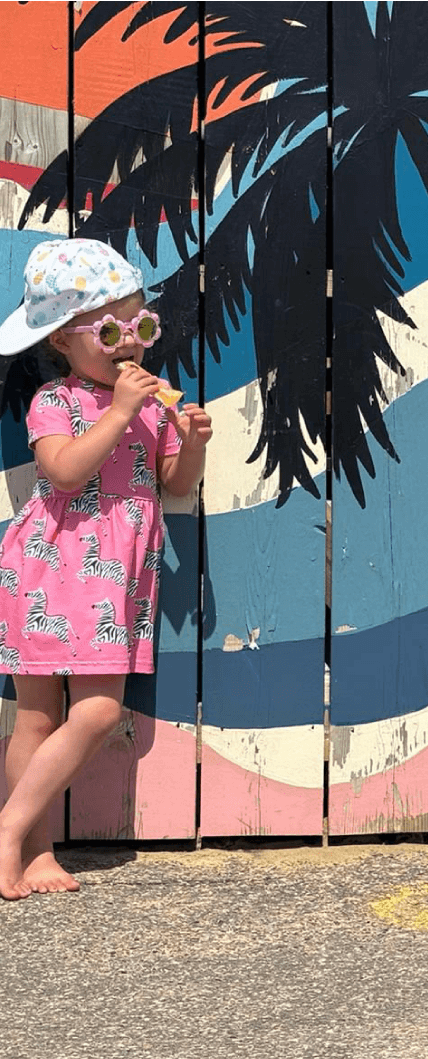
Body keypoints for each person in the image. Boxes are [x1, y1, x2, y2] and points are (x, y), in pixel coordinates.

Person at [0, 237, 212, 901]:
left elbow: (174, 484)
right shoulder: (54, 401)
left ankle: (14, 837)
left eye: (141, 326)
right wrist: (119, 411)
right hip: (46, 571)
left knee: (92, 711)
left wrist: (195, 443)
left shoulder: (155, 407)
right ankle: (22, 841)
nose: (130, 343)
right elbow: (62, 472)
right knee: (42, 719)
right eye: (110, 331)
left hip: (111, 583)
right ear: (63, 339)